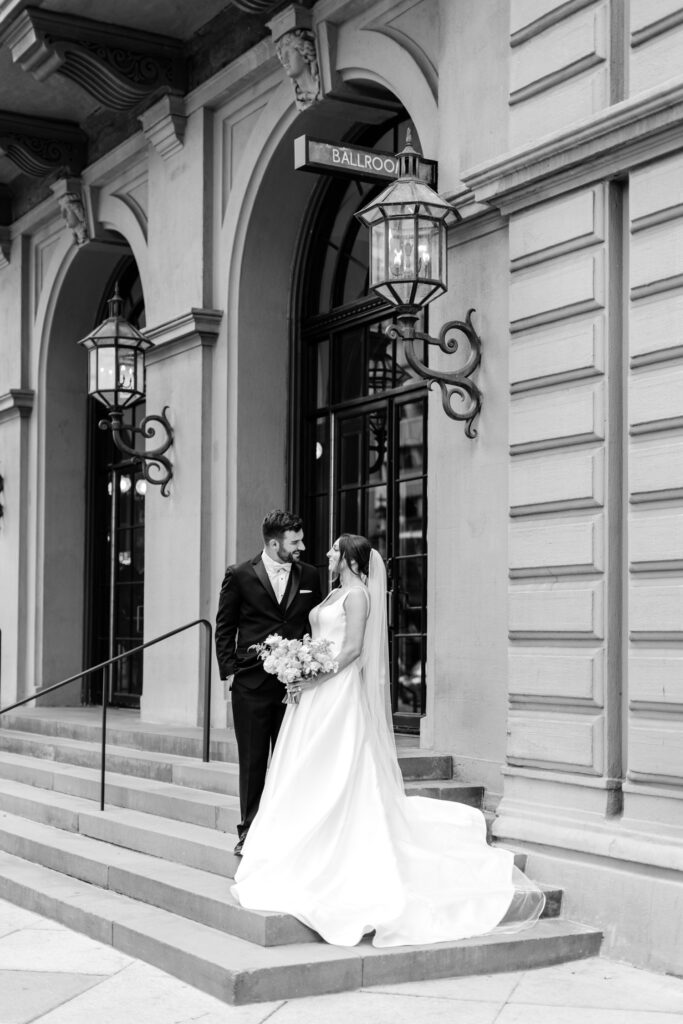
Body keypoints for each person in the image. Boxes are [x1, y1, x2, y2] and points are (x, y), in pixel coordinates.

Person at [231, 533, 545, 947]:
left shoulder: (358, 596)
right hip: (311, 694)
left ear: (348, 559)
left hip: (335, 692)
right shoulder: (333, 594)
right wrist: (299, 668)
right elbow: (322, 641)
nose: (326, 554)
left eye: (333, 550)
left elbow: (354, 650)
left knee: (334, 764)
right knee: (304, 764)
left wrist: (312, 675)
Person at [215, 510, 322, 855]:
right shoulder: (240, 575)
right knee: (253, 761)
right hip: (252, 685)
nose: (301, 547)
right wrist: (232, 671)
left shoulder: (310, 574)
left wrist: (310, 670)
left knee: (291, 761)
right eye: (295, 541)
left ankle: (289, 831)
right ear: (274, 543)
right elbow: (225, 627)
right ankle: (248, 831)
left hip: (295, 688)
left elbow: (314, 625)